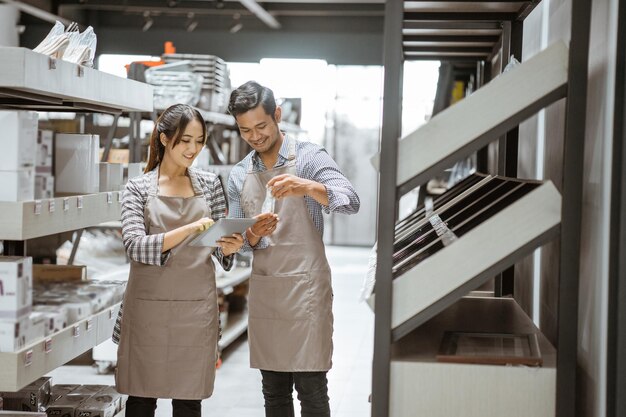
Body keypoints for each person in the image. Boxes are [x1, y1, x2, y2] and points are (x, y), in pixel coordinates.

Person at [227, 81, 360, 417]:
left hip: (306, 292)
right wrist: (253, 234)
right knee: (273, 393)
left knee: (312, 390)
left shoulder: (309, 157)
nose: (255, 137)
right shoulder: (239, 174)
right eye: (245, 131)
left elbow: (350, 200)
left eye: (261, 126)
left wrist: (307, 186)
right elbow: (237, 244)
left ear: (278, 115)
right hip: (267, 293)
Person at [113, 104, 244, 417]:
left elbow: (215, 249)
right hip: (148, 312)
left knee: (189, 400)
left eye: (199, 141)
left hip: (195, 310)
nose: (193, 149)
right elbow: (134, 247)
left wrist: (229, 247)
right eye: (185, 140)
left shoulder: (210, 185)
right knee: (141, 399)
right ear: (163, 138)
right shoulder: (138, 188)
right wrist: (187, 229)